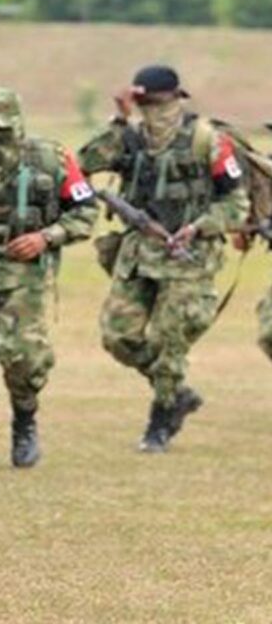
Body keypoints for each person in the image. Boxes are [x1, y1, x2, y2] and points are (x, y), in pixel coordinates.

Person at [78, 66, 249, 453]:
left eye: (154, 103)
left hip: (189, 257)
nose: (154, 113)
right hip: (140, 252)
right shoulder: (130, 138)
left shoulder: (208, 139)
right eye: (144, 105)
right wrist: (119, 120)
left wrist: (202, 226)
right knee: (118, 335)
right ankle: (177, 392)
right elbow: (84, 162)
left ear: (174, 99)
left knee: (169, 341)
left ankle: (160, 422)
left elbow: (235, 202)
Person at [0, 88, 97, 470]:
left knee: (23, 355)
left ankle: (25, 427)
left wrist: (46, 237)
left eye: (5, 130)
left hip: (23, 275)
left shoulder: (51, 159)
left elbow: (85, 211)